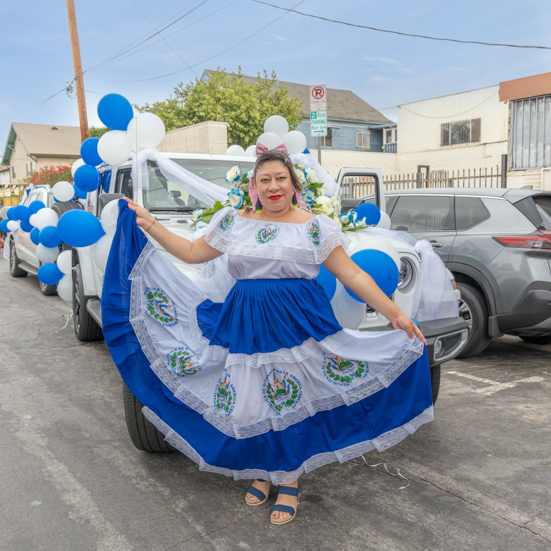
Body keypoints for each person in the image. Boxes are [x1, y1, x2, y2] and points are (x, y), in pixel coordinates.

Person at [102, 149, 430, 526]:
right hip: (245, 321)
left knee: (292, 396)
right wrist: (148, 223)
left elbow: (353, 276)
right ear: (253, 187)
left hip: (298, 322)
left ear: (293, 184)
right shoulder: (233, 222)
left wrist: (398, 315)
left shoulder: (315, 227)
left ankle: (288, 479)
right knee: (250, 399)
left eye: (281, 178)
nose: (274, 186)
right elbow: (192, 253)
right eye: (265, 180)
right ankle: (263, 467)